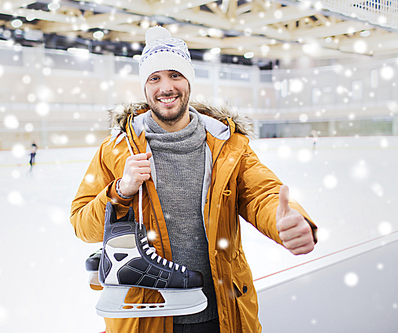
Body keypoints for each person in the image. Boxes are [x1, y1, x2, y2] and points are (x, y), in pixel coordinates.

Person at [70, 26, 317, 333]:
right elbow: (82, 224)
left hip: (219, 313)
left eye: (175, 75)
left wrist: (290, 222)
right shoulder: (116, 150)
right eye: (154, 78)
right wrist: (120, 190)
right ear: (144, 88)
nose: (166, 87)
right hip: (147, 316)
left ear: (189, 81)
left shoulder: (227, 145)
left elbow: (262, 193)